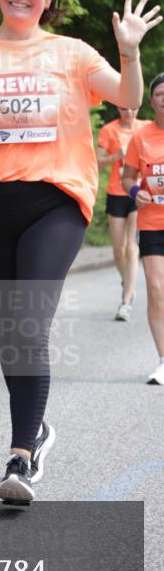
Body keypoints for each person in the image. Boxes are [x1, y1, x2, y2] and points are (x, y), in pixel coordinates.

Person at [0, 0, 161, 504]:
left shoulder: (73, 53)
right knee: (13, 335)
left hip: (57, 200)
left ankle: (21, 456)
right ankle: (38, 429)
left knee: (29, 323)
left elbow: (127, 95)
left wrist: (129, 52)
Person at [122, 72, 164, 385]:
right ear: (151, 101)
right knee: (156, 290)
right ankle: (163, 361)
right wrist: (137, 192)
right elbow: (127, 178)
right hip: (152, 222)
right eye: (160, 94)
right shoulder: (141, 137)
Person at [96, 106, 146, 320]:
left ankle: (126, 301)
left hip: (138, 193)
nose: (129, 113)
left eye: (133, 109)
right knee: (118, 249)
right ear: (118, 108)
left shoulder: (145, 128)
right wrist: (117, 155)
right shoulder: (108, 130)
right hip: (116, 193)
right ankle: (128, 282)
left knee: (132, 247)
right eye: (124, 109)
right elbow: (97, 162)